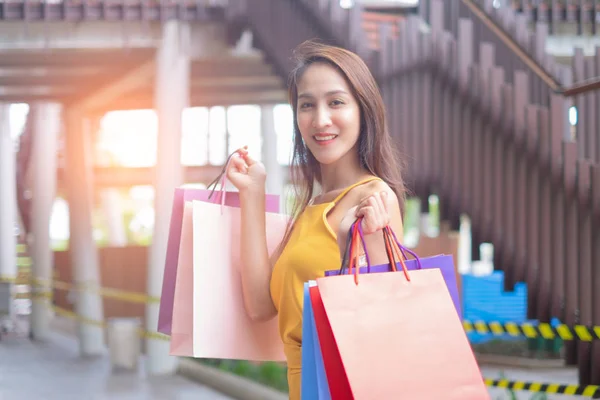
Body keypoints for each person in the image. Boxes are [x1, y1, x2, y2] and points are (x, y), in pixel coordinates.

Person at [226, 40, 406, 399]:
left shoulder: (374, 198)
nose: (320, 119)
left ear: (363, 110)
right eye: (307, 105)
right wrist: (252, 194)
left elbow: (387, 322)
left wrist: (359, 243)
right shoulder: (312, 207)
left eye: (336, 102)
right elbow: (261, 305)